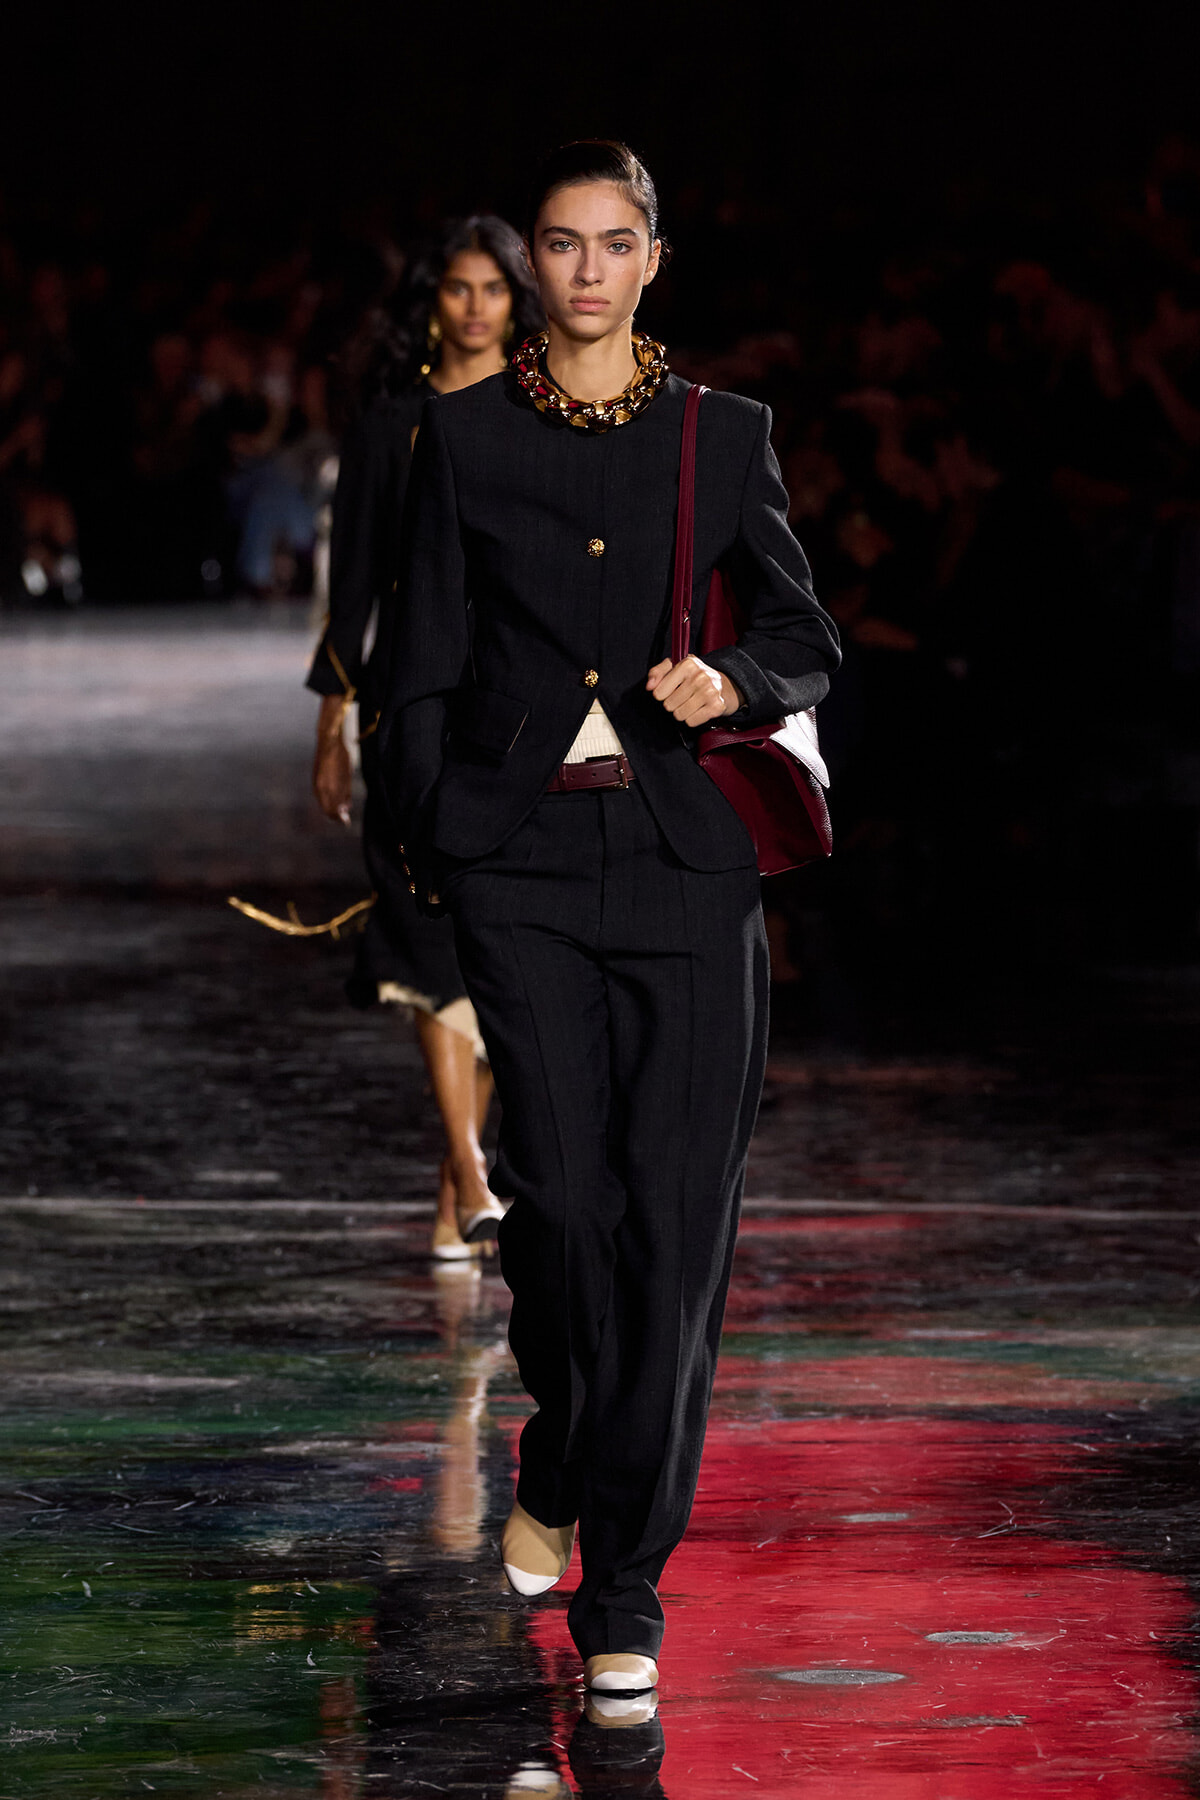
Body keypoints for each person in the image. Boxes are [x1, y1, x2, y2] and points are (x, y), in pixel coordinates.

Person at [378, 142, 839, 1691]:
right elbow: (417, 658)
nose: (583, 269)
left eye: (610, 243)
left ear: (653, 260)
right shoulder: (457, 436)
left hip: (684, 864)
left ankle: (626, 1582)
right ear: (537, 271)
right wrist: (425, 848)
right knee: (565, 1210)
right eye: (559, 245)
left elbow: (803, 631)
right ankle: (563, 1442)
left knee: (676, 1234)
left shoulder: (724, 436)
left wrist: (743, 680)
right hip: (518, 863)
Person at [308, 216, 543, 1259]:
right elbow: (350, 580)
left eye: (496, 288)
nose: (477, 306)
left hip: (514, 707)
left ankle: (458, 1181)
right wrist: (331, 725)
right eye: (460, 287)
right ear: (434, 299)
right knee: (426, 933)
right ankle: (476, 1170)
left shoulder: (543, 418)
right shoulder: (389, 423)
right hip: (405, 706)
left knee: (494, 941)